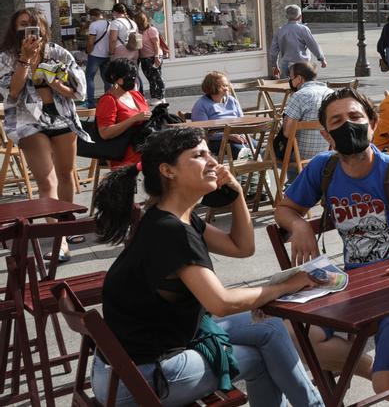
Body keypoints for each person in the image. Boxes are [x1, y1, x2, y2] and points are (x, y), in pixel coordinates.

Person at [91, 127, 323, 406]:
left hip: (131, 363)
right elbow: (221, 303)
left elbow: (242, 247)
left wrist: (236, 193)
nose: (214, 161)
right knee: (261, 358)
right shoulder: (171, 231)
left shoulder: (172, 218)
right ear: (168, 171)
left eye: (210, 152)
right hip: (138, 378)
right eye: (199, 155)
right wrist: (286, 286)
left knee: (271, 328)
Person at [274, 89, 389, 404]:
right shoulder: (324, 168)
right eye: (337, 121)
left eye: (356, 117)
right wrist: (299, 223)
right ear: (326, 134)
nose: (348, 125)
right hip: (353, 284)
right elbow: (284, 208)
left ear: (372, 124)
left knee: (388, 388)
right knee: (301, 338)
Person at [2, 8, 88, 261]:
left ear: (43, 29)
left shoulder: (58, 52)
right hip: (28, 122)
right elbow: (12, 93)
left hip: (61, 117)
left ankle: (66, 227)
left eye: (34, 24)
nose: (29, 29)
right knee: (46, 181)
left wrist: (55, 83)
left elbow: (79, 91)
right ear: (14, 29)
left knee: (64, 175)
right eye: (23, 24)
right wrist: (24, 60)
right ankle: (59, 240)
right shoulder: (7, 57)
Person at [96, 59, 151, 169]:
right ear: (114, 77)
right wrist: (133, 119)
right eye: (128, 76)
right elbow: (104, 133)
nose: (132, 79)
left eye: (134, 75)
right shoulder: (108, 100)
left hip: (144, 145)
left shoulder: (136, 95)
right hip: (125, 151)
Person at [280, 62, 334, 164]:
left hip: (300, 156)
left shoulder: (299, 95)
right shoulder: (331, 93)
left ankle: (295, 179)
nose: (290, 81)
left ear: (299, 78)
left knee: (264, 152)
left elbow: (287, 133)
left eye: (291, 78)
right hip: (327, 152)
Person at [190, 71, 246, 158]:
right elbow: (202, 133)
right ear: (212, 87)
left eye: (227, 85)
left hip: (236, 137)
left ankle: (259, 163)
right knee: (243, 151)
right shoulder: (201, 105)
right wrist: (228, 136)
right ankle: (255, 165)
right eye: (223, 86)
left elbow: (242, 121)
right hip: (216, 141)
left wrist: (241, 134)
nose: (227, 89)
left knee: (259, 147)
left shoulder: (232, 100)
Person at [269, 5, 327, 79]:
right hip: (302, 64)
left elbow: (273, 51)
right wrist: (322, 59)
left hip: (286, 64)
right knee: (303, 86)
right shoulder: (303, 29)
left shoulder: (280, 31)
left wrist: (275, 65)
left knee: (286, 87)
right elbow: (313, 45)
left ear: (286, 17)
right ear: (300, 17)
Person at [83, 8, 112, 107]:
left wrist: (88, 52)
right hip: (107, 55)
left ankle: (90, 102)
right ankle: (109, 101)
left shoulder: (94, 25)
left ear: (92, 16)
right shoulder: (109, 23)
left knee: (89, 77)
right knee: (107, 79)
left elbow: (91, 41)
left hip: (95, 55)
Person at [135, 13, 167, 101]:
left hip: (153, 56)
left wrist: (157, 57)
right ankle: (154, 96)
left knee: (157, 77)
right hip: (144, 58)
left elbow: (156, 44)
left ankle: (161, 97)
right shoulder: (139, 31)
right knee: (150, 78)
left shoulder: (151, 30)